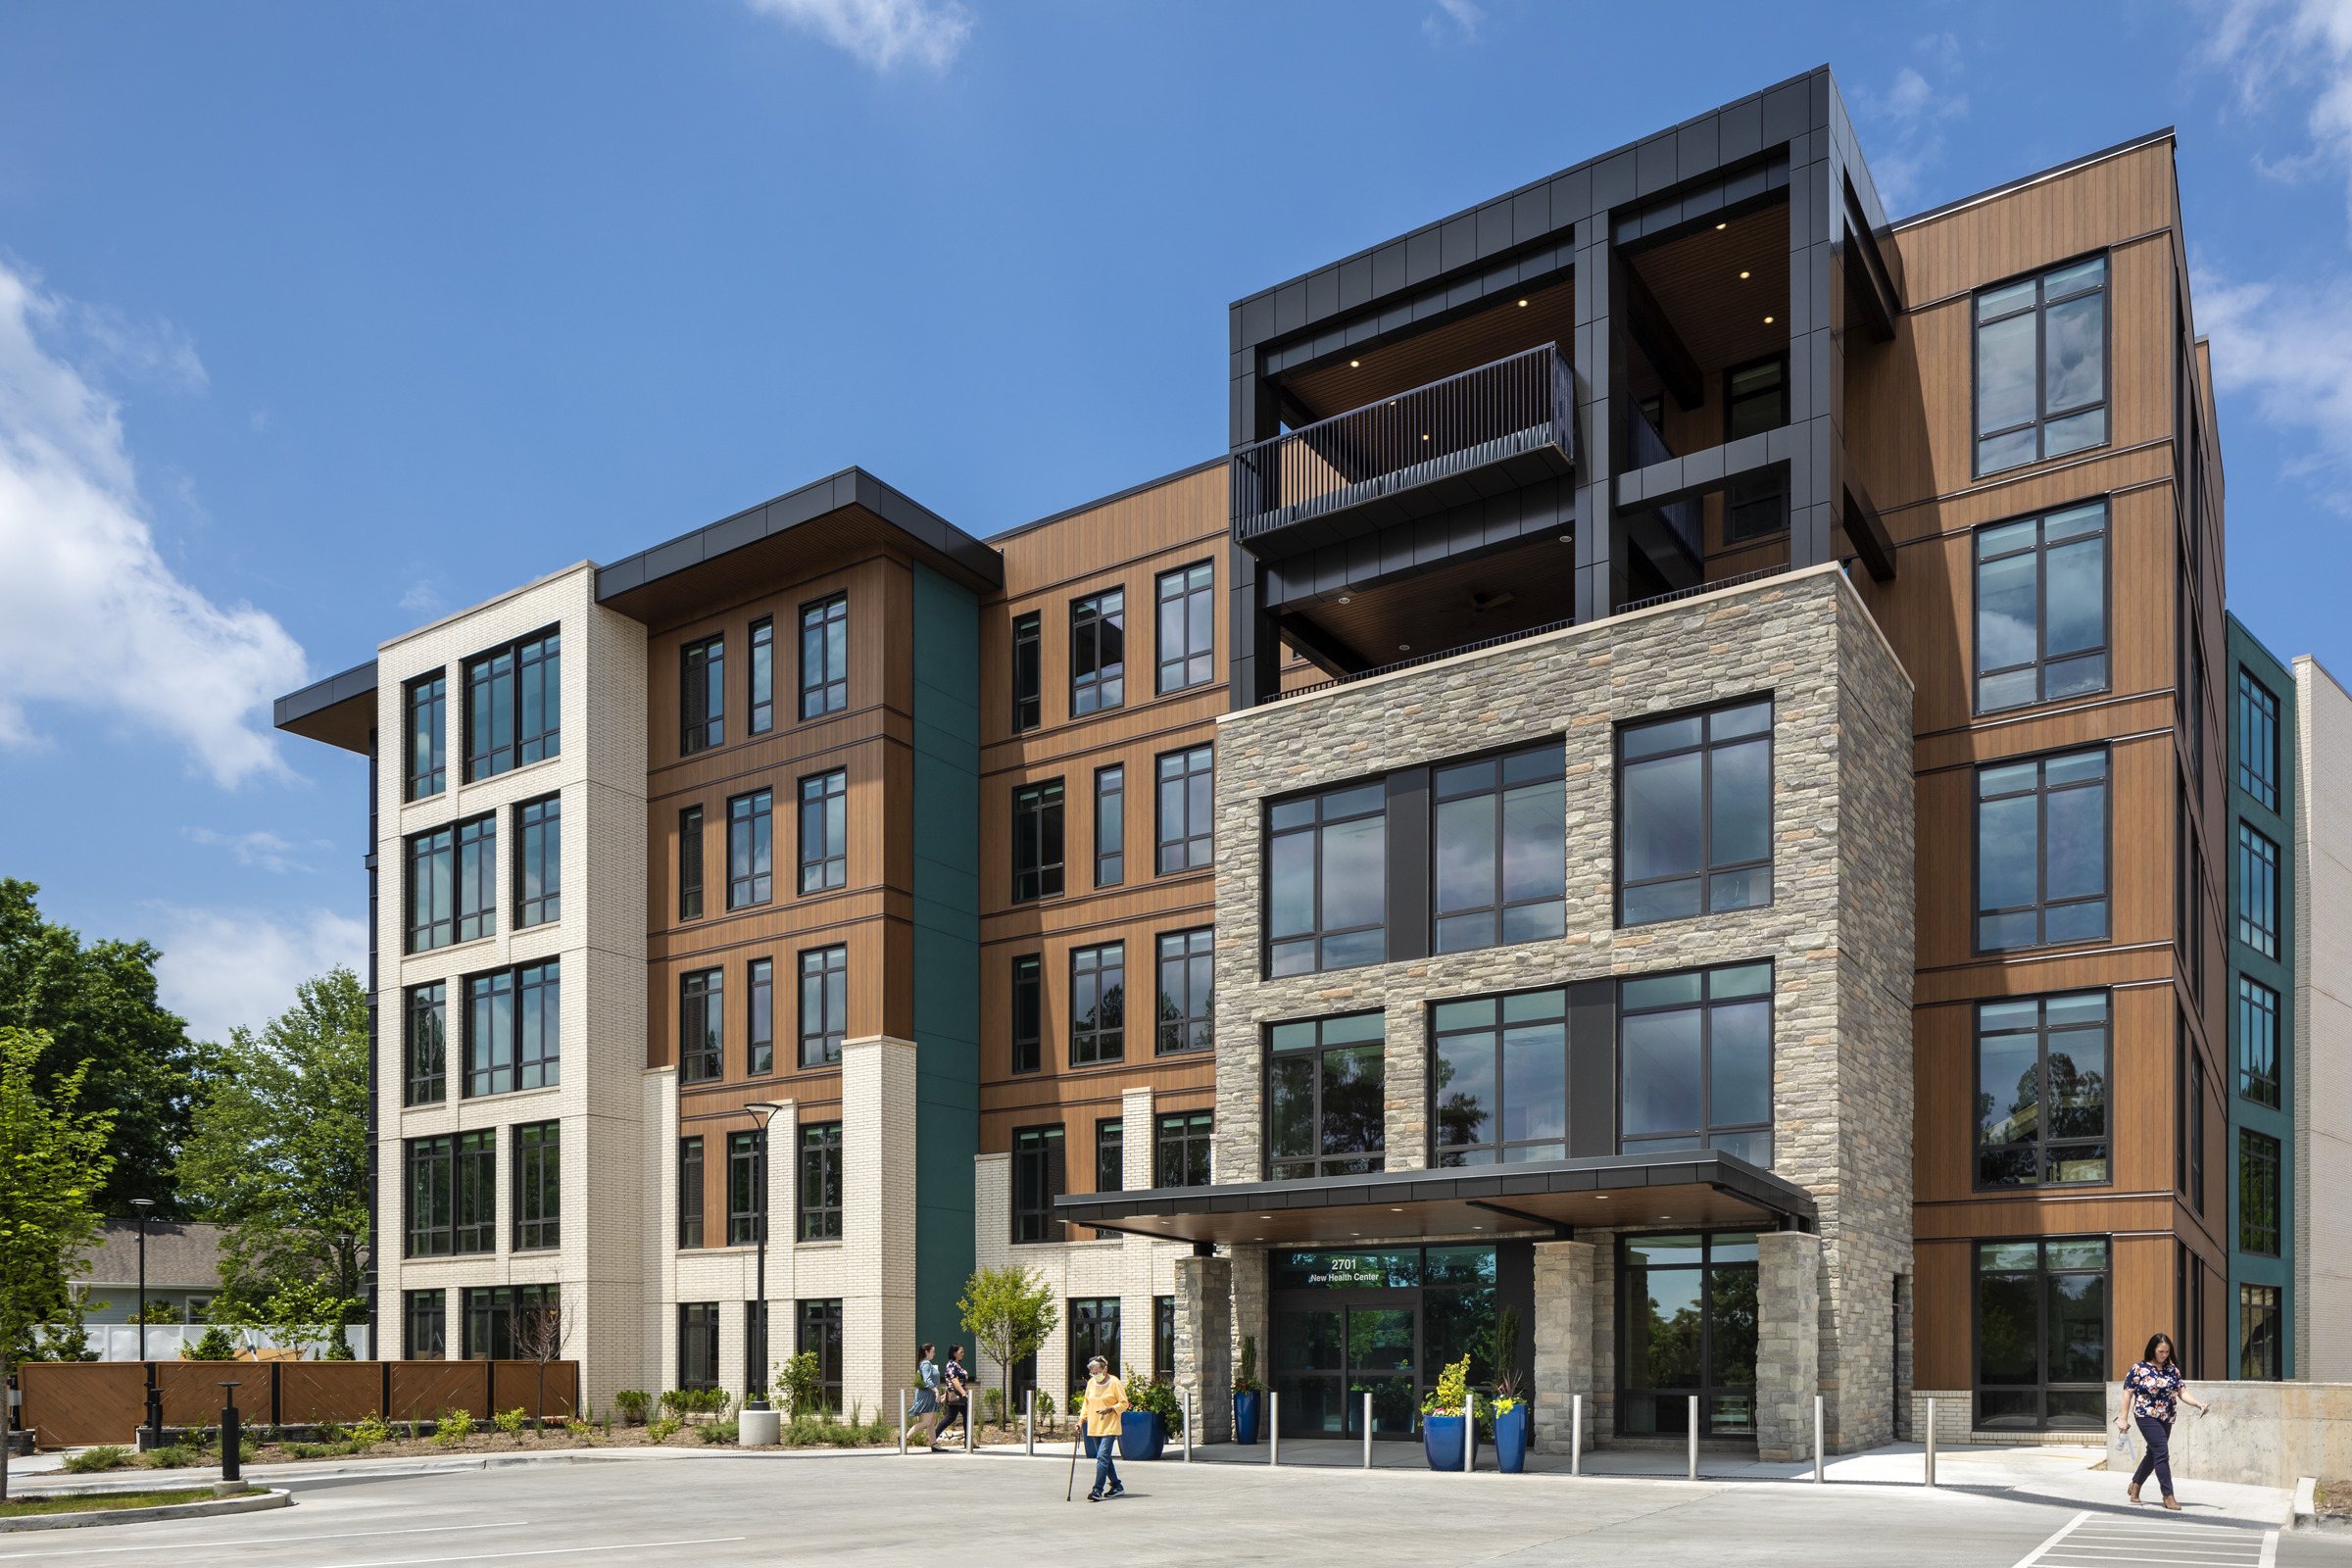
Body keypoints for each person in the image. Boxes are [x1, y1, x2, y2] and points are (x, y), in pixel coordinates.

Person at [2120, 1331, 2209, 1509]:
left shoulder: (2172, 1370)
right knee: (2161, 1451)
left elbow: (2182, 1392)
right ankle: (2168, 1495)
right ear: (2152, 1350)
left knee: (2153, 1454)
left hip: (2166, 1417)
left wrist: (2198, 1403)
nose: (2164, 1355)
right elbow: (2127, 1393)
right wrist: (2123, 1418)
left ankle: (2135, 1485)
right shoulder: (2139, 1369)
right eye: (2161, 1351)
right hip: (2145, 1416)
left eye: (2167, 1352)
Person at [1081, 1355, 1129, 1501]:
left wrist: (1111, 1409)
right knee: (1104, 1458)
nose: (1096, 1375)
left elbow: (1124, 1403)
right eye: (1093, 1373)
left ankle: (1097, 1489)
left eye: (1098, 1372)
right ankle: (1116, 1485)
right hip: (1095, 1426)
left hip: (1110, 1425)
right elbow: (1086, 1403)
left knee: (1102, 1457)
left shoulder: (1114, 1382)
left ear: (1105, 1369)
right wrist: (1080, 1420)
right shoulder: (1091, 1383)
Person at [930, 1345, 971, 1449]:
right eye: (961, 1352)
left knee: (967, 1417)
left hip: (960, 1396)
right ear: (954, 1353)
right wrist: (963, 1393)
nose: (963, 1354)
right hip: (956, 1396)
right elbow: (953, 1380)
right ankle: (932, 1437)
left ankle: (969, 1441)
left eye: (963, 1352)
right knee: (950, 1418)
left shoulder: (956, 1365)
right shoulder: (951, 1365)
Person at [910, 1344, 939, 1437]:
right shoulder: (926, 1364)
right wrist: (936, 1391)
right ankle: (905, 1437)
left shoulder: (925, 1363)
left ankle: (934, 1444)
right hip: (927, 1397)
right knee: (926, 1422)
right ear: (927, 1352)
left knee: (931, 1421)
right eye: (933, 1352)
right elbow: (927, 1380)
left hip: (930, 1397)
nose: (934, 1354)